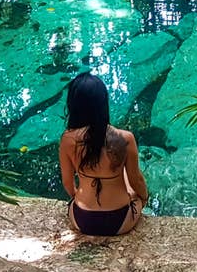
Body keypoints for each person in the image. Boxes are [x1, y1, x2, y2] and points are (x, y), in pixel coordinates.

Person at [58, 72, 149, 236]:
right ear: (103, 103)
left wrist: (77, 197)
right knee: (128, 180)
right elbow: (137, 180)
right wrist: (142, 199)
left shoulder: (67, 139)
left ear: (73, 105)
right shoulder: (125, 138)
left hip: (81, 218)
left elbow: (67, 182)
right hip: (119, 219)